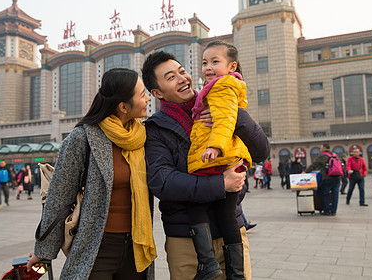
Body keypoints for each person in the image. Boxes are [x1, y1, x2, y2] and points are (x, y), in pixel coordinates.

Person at [142, 51, 270, 280]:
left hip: (232, 231)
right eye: (171, 77)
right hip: (186, 242)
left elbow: (261, 152)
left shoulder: (220, 101)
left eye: (182, 71)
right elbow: (163, 182)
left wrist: (236, 116)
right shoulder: (155, 130)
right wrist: (221, 183)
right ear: (157, 93)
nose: (182, 78)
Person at [27, 68, 156, 279]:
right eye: (142, 94)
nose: (148, 98)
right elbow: (59, 197)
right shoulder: (83, 138)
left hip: (137, 247)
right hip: (96, 246)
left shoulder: (142, 136)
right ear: (123, 106)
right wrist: (44, 251)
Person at [185, 41, 252, 279]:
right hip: (225, 159)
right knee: (226, 215)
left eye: (215, 61)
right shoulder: (215, 87)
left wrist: (214, 146)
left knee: (197, 207)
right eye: (204, 62)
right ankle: (236, 274)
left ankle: (208, 264)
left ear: (231, 65)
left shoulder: (222, 87)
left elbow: (224, 121)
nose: (208, 67)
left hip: (217, 160)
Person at [305, 144, 341, 216]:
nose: (320, 149)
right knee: (335, 194)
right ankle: (333, 211)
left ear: (324, 148)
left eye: (321, 148)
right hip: (337, 178)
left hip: (327, 178)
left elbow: (314, 165)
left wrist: (306, 172)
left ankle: (326, 210)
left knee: (324, 193)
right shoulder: (334, 155)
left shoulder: (322, 156)